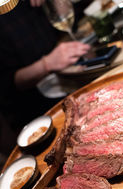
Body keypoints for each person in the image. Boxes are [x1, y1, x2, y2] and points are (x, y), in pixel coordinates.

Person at [0, 0, 90, 137]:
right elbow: (7, 84)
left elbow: (73, 17)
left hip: (71, 79)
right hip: (35, 112)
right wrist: (47, 64)